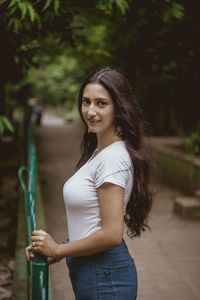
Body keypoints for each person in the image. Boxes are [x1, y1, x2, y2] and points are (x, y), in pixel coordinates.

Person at [26, 68, 153, 299]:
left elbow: (112, 234)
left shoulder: (113, 158)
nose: (91, 111)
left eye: (101, 103)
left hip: (105, 276)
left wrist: (59, 249)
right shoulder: (99, 152)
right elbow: (91, 223)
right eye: (86, 102)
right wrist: (57, 250)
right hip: (94, 272)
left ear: (119, 108)